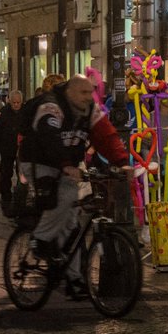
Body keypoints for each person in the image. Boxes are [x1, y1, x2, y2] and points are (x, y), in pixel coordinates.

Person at [21, 75, 129, 292]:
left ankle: (74, 278)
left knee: (72, 223)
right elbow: (48, 135)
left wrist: (122, 163)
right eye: (84, 93)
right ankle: (40, 240)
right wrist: (66, 165)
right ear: (70, 91)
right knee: (64, 196)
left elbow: (106, 135)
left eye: (91, 93)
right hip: (38, 161)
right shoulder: (51, 105)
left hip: (67, 163)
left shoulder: (89, 109)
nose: (89, 98)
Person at [0, 90, 24, 218]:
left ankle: (20, 194)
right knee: (5, 172)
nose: (16, 105)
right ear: (9, 101)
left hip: (21, 149)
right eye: (14, 102)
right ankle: (6, 195)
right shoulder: (4, 114)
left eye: (18, 102)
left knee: (21, 173)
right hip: (7, 147)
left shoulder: (25, 112)